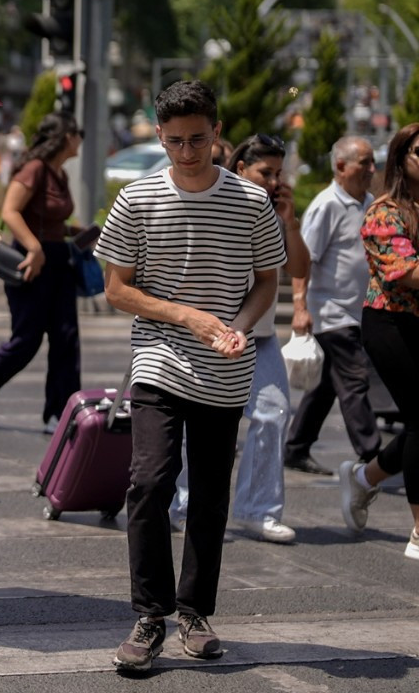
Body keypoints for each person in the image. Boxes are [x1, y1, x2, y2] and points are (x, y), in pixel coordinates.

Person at [95, 81, 285, 673]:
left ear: (217, 132)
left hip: (226, 367)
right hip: (158, 357)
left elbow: (266, 283)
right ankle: (150, 614)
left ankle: (194, 612)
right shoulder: (137, 199)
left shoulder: (251, 203)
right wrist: (187, 317)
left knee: (209, 494)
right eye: (174, 141)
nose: (187, 151)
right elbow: (116, 289)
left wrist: (240, 328)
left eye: (198, 139)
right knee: (150, 481)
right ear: (159, 136)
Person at [168, 134, 311, 544]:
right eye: (265, 172)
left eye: (279, 173)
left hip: (258, 336)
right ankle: (181, 505)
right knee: (191, 421)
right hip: (204, 333)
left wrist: (289, 221)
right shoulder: (222, 203)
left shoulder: (273, 211)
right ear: (240, 169)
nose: (274, 181)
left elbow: (299, 266)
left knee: (273, 413)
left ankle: (258, 510)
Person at [0, 112, 85, 434]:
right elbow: (9, 211)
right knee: (26, 341)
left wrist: (76, 232)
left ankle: (60, 413)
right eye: (77, 133)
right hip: (30, 262)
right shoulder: (35, 169)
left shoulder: (60, 175)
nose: (81, 139)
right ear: (66, 137)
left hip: (59, 260)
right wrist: (34, 248)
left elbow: (48, 219)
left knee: (67, 339)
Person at [338, 122, 419, 561]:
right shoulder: (383, 212)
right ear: (401, 158)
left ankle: (366, 478)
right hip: (390, 324)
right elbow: (404, 271)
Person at [285, 136, 381, 475]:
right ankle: (373, 456)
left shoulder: (369, 203)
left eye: (373, 162)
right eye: (365, 163)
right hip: (331, 312)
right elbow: (303, 260)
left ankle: (296, 446)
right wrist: (300, 307)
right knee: (354, 379)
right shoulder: (327, 205)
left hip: (359, 311)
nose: (372, 169)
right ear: (341, 166)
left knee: (326, 385)